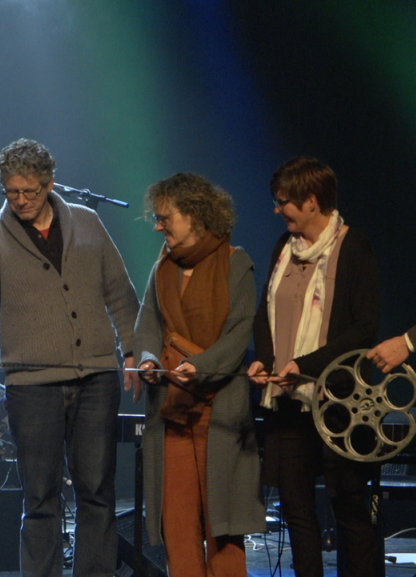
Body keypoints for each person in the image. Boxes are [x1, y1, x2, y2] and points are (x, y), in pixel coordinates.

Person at [0, 139, 139, 577]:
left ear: (49, 183)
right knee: (40, 498)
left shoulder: (87, 223)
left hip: (96, 375)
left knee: (96, 492)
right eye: (11, 192)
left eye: (30, 191)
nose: (20, 201)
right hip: (32, 383)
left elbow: (119, 290)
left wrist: (133, 348)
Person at [247, 157, 381, 577]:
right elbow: (264, 312)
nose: (276, 209)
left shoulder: (352, 246)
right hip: (287, 400)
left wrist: (303, 365)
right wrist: (263, 360)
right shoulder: (283, 248)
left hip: (336, 400)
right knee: (297, 509)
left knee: (349, 508)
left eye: (283, 202)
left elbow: (364, 327)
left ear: (310, 202)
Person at [133, 173, 265, 577]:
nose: (158, 226)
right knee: (177, 523)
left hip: (219, 411)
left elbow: (240, 331)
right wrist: (150, 360)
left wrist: (202, 366)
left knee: (222, 526)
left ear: (192, 215)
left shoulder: (234, 262)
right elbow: (147, 326)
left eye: (164, 217)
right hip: (172, 411)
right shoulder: (162, 266)